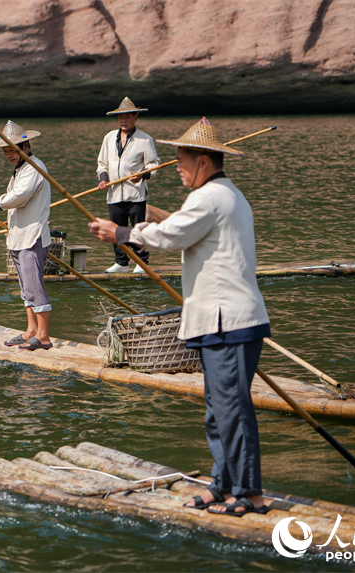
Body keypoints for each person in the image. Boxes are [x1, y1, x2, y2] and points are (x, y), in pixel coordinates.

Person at [88, 117, 271, 517]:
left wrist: (121, 233)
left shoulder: (211, 197)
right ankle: (223, 485)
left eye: (182, 159)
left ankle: (250, 494)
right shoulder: (222, 196)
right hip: (220, 321)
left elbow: (172, 236)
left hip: (230, 321)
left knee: (232, 409)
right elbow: (181, 231)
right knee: (217, 410)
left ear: (203, 161)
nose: (177, 167)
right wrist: (141, 231)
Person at [0, 120, 53, 351]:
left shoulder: (34, 167)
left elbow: (20, 196)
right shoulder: (20, 169)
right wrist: (10, 217)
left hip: (32, 236)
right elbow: (19, 200)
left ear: (25, 146)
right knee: (26, 288)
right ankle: (31, 331)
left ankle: (43, 336)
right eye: (5, 150)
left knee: (34, 287)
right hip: (19, 235)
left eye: (13, 150)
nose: (9, 154)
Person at [97, 97, 160, 273]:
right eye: (120, 117)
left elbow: (154, 165)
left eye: (127, 117)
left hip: (136, 193)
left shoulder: (145, 139)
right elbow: (102, 164)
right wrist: (103, 179)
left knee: (138, 228)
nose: (123, 120)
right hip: (114, 193)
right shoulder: (109, 137)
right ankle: (121, 262)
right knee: (117, 229)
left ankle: (142, 262)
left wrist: (141, 175)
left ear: (135, 117)